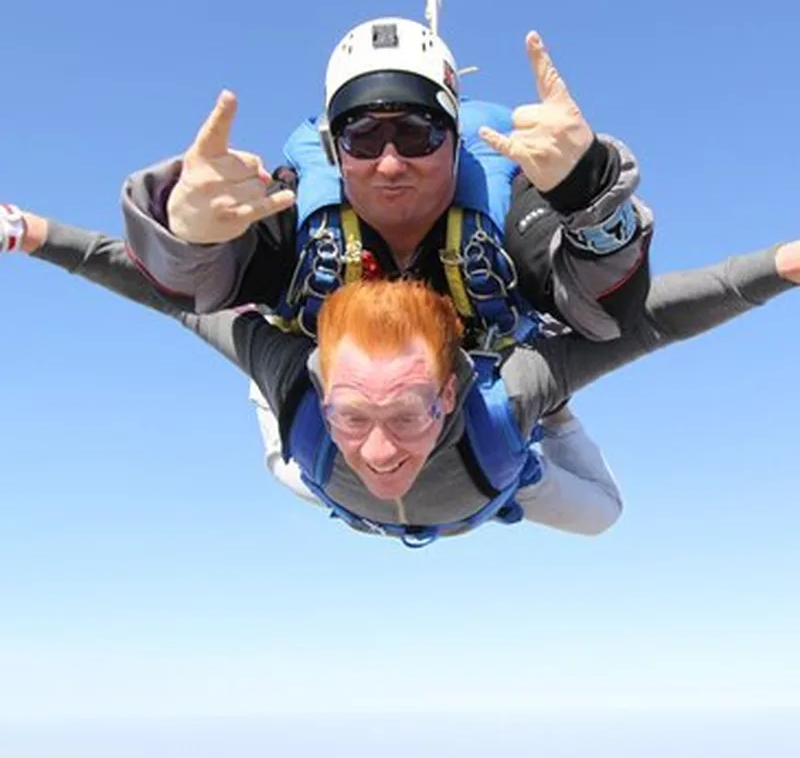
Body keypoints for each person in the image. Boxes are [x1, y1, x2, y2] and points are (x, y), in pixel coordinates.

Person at [5, 208, 798, 547]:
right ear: (323, 388)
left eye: (409, 414)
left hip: (496, 475)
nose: (380, 453)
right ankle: (535, 404)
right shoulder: (296, 379)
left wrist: (779, 267)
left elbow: (663, 315)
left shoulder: (503, 395)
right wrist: (32, 234)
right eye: (355, 415)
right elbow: (162, 293)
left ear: (449, 394)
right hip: (325, 451)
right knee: (288, 449)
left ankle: (554, 416)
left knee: (602, 513)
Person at [123, 23, 654, 349]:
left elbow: (605, 314)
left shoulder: (510, 209)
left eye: (417, 134)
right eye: (364, 137)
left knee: (596, 510)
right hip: (335, 407)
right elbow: (195, 287)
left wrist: (590, 193)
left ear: (455, 138)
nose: (391, 163)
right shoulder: (291, 211)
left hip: (486, 404)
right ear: (334, 151)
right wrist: (187, 234)